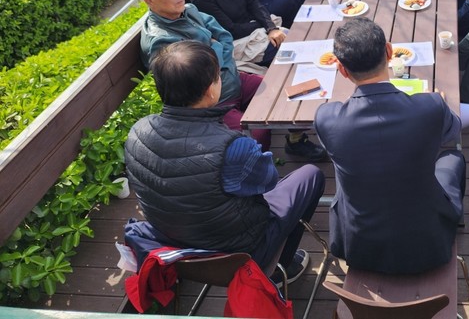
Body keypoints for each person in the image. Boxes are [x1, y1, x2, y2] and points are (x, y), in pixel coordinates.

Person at [125, 41, 325, 286]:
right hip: (237, 254)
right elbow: (268, 180)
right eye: (218, 76)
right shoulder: (233, 147)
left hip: (176, 250)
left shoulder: (137, 132)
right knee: (310, 175)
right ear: (211, 90)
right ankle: (279, 267)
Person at [314, 18, 465, 274]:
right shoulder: (430, 106)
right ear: (389, 51)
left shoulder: (327, 118)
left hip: (359, 247)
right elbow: (452, 130)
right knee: (453, 157)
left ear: (341, 69)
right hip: (429, 246)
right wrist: (436, 105)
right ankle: (453, 222)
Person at [134, 0, 269, 149]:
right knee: (257, 132)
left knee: (277, 91)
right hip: (213, 102)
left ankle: (294, 140)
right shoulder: (161, 41)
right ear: (148, 0)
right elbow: (198, 77)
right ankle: (261, 163)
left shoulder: (189, 10)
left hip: (232, 80)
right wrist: (215, 45)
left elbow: (225, 36)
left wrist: (213, 50)